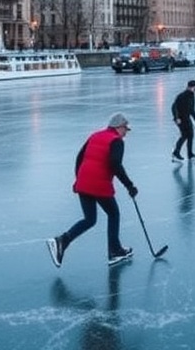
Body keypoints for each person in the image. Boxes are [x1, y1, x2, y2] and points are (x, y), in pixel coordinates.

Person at [47, 112, 139, 267]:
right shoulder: (116, 141)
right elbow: (115, 164)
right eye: (125, 129)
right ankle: (115, 251)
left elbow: (79, 157)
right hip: (98, 184)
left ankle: (62, 241)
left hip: (84, 182)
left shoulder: (95, 135)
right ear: (118, 127)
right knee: (113, 214)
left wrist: (79, 178)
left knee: (90, 219)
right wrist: (130, 185)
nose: (126, 133)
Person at [171, 80, 195, 161]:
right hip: (180, 119)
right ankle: (176, 152)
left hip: (187, 118)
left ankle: (190, 154)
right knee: (185, 135)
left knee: (190, 136)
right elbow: (174, 107)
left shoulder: (192, 96)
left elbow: (192, 109)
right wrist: (177, 117)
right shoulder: (181, 96)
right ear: (189, 87)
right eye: (193, 87)